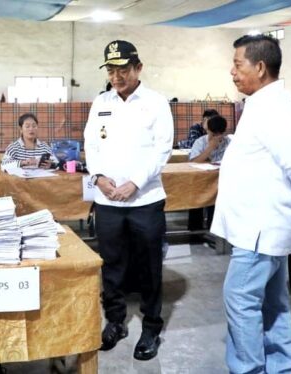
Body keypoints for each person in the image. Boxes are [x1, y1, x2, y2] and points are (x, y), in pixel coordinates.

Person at [211, 34, 291, 373]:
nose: (232, 71)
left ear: (259, 67)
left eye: (237, 64)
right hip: (261, 228)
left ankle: (250, 370)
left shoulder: (273, 108)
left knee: (241, 301)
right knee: (274, 305)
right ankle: (281, 368)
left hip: (260, 230)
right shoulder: (262, 104)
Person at [84, 40, 173, 361]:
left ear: (138, 68)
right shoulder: (101, 102)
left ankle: (151, 326)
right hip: (107, 200)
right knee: (111, 266)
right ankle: (116, 321)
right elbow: (90, 144)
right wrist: (99, 177)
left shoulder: (155, 102)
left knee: (149, 268)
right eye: (111, 70)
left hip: (145, 200)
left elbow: (163, 148)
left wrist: (135, 183)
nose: (116, 76)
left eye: (123, 69)